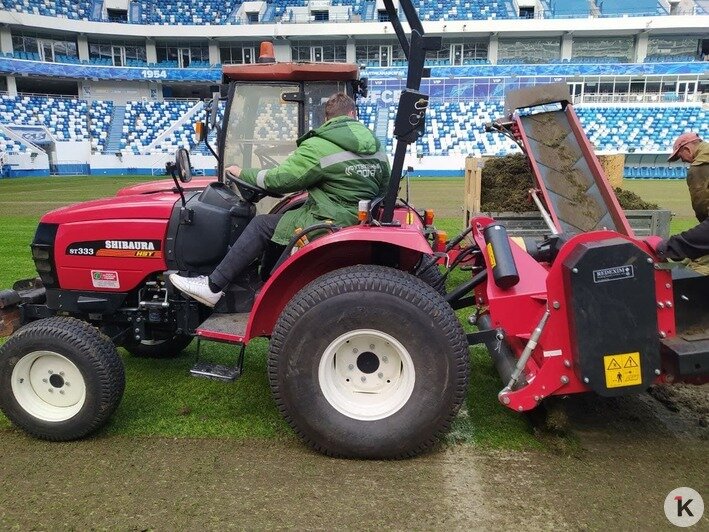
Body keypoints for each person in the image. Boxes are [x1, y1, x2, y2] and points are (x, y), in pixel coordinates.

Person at [170, 92, 391, 306]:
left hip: (329, 219)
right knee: (283, 219)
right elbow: (385, 186)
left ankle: (213, 286)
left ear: (326, 118)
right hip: (355, 217)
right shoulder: (377, 147)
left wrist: (243, 173)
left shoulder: (320, 145)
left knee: (261, 225)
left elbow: (283, 179)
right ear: (353, 114)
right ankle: (262, 281)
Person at [655, 132, 709, 273]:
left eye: (680, 157)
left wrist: (673, 246)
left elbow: (703, 210)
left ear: (687, 149)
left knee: (697, 271)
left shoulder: (700, 166)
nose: (683, 161)